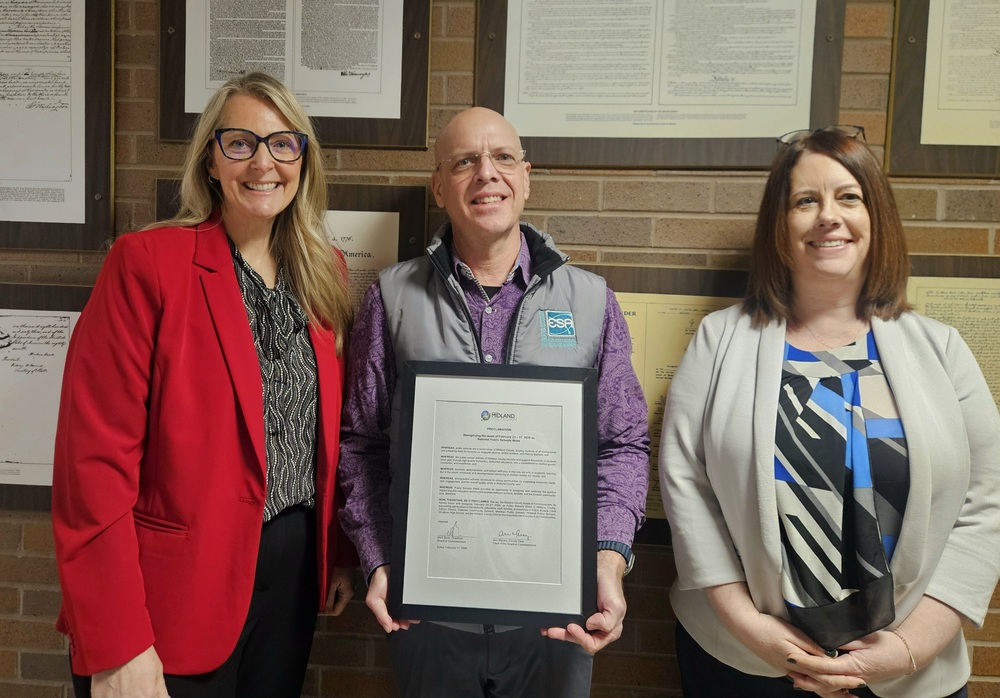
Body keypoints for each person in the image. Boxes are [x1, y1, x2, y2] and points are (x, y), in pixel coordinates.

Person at [659, 125, 1000, 698]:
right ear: (780, 225)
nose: (828, 216)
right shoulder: (721, 340)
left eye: (848, 197)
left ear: (876, 218)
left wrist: (911, 647)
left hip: (908, 668)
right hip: (744, 660)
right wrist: (757, 632)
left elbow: (987, 502)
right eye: (805, 200)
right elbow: (687, 488)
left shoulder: (940, 349)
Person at [52, 72, 358, 698]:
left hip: (292, 580)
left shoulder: (325, 271)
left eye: (282, 144)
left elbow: (325, 431)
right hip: (175, 591)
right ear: (212, 161)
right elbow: (92, 465)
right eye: (240, 143)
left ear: (304, 159)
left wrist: (337, 554)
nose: (263, 162)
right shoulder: (149, 263)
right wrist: (117, 643)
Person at [337, 106, 650, 696]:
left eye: (503, 157)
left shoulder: (590, 302)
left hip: (555, 618)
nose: (487, 173)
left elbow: (623, 443)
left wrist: (608, 560)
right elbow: (363, 445)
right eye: (464, 162)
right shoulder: (392, 298)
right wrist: (379, 561)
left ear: (526, 177)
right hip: (429, 615)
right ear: (439, 186)